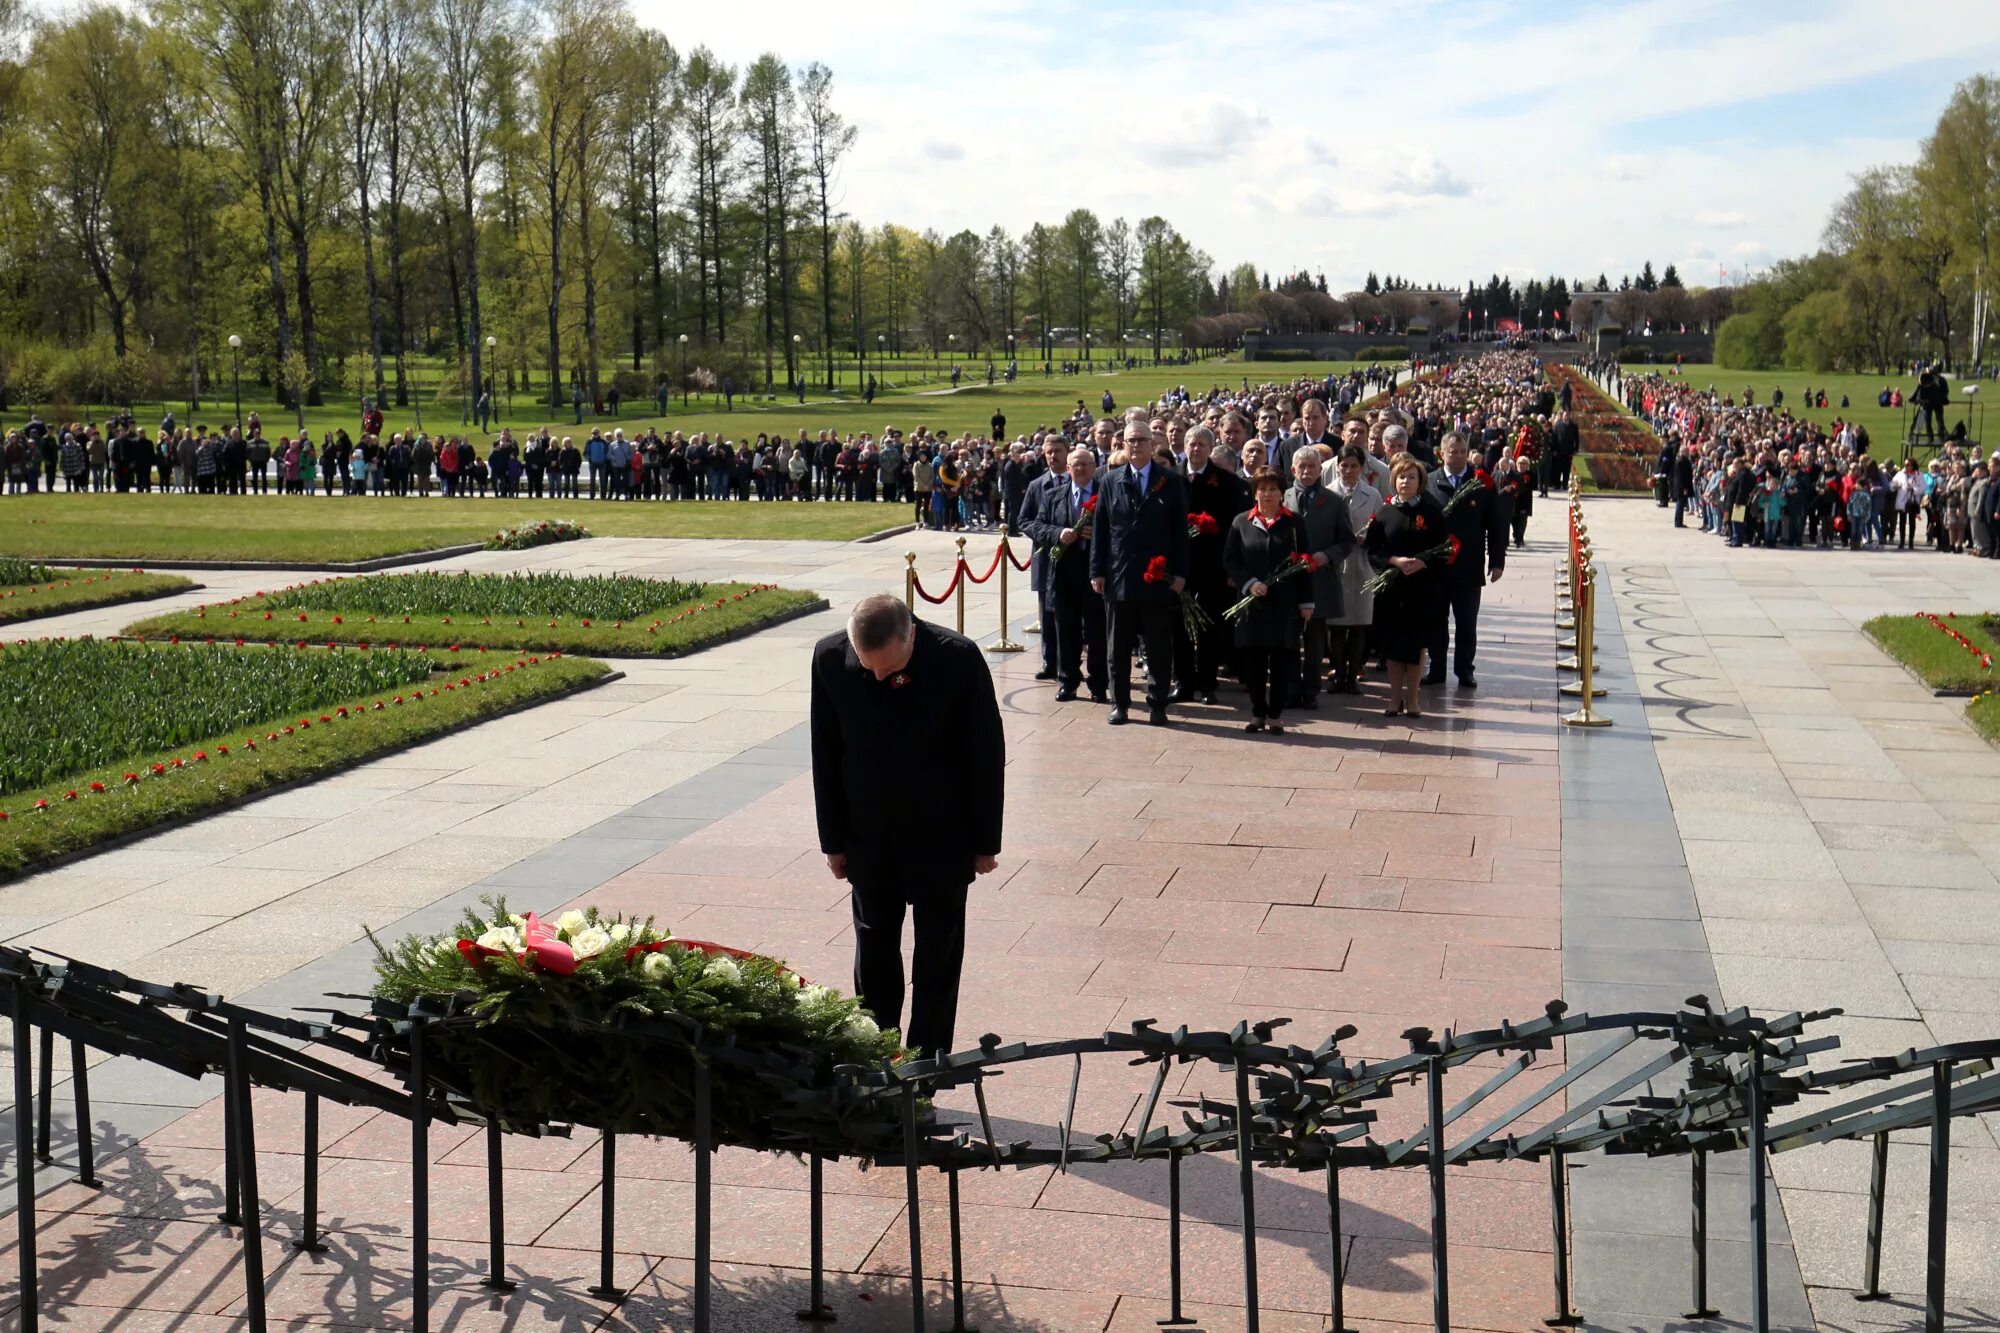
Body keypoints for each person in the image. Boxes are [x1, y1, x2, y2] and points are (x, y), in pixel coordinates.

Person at [811, 595, 1004, 1057]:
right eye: (867, 667)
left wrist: (985, 842)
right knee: (874, 955)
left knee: (938, 959)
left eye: (888, 667)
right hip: (868, 837)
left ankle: (927, 1069)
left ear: (910, 634)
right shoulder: (828, 658)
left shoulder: (957, 658)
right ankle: (875, 1059)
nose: (878, 677)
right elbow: (826, 753)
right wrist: (832, 841)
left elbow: (985, 754)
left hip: (943, 834)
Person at [1091, 416, 1189, 726]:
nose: (1135, 446)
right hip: (1120, 577)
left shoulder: (1170, 481)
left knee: (1158, 646)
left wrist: (1180, 573)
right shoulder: (1111, 480)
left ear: (1152, 444)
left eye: (1141, 440)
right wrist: (1097, 570)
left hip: (1157, 577)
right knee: (1118, 647)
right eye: (1130, 441)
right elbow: (1101, 530)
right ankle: (1120, 703)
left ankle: (1157, 702)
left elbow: (1179, 532)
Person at [1224, 469, 1314, 733]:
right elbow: (1230, 560)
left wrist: (1307, 602)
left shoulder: (1294, 522)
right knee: (1254, 663)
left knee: (1281, 661)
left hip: (1284, 603)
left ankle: (1275, 715)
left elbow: (1304, 563)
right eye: (1262, 489)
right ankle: (1257, 713)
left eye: (1273, 489)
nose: (1268, 494)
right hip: (1252, 603)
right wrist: (1250, 583)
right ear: (1255, 493)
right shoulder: (1242, 521)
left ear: (1281, 493)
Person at [1424, 433, 1507, 689]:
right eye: (1453, 451)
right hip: (1436, 568)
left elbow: (1496, 524)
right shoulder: (1428, 481)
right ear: (1442, 453)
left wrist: (1497, 561)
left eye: (1462, 451)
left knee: (1466, 623)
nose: (1458, 456)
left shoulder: (1482, 483)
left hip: (1468, 566)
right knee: (1436, 621)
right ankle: (1436, 669)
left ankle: (1465, 670)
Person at [1364, 456, 1445, 718]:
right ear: (1393, 481)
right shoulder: (1385, 513)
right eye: (1401, 477)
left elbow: (1444, 548)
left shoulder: (1431, 511)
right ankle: (1393, 698)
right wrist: (1395, 561)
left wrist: (1423, 561)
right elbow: (1373, 551)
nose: (1405, 481)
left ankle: (1413, 699)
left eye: (1411, 477)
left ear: (1420, 481)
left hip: (1421, 589)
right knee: (1393, 647)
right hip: (1393, 589)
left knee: (1416, 647)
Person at [1284, 445, 1358, 709]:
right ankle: (1291, 687)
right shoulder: (1282, 498)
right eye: (1301, 467)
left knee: (1315, 640)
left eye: (1311, 467)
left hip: (1319, 579)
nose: (1306, 471)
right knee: (1289, 638)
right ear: (1293, 469)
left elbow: (1347, 540)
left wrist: (1326, 556)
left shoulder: (1334, 501)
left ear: (1320, 470)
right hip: (1289, 580)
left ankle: (1311, 690)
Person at [1032, 445, 1107, 701]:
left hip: (1096, 572)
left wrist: (1096, 533)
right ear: (1068, 468)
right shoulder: (1053, 496)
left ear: (1094, 468)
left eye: (1086, 464)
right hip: (1064, 572)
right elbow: (1037, 525)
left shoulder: (1105, 493)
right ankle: (1068, 681)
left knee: (1097, 631)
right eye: (1076, 464)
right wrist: (1058, 534)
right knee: (1066, 630)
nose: (1081, 468)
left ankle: (1098, 683)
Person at [1325, 444, 1383, 694]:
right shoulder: (1327, 493)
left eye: (1353, 466)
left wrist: (1368, 539)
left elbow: (1381, 530)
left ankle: (1352, 675)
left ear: (1362, 468)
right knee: (1337, 624)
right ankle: (1337, 672)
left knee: (1360, 623)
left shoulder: (1372, 495)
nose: (1348, 470)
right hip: (1337, 564)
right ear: (1337, 466)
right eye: (1344, 465)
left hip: (1362, 563)